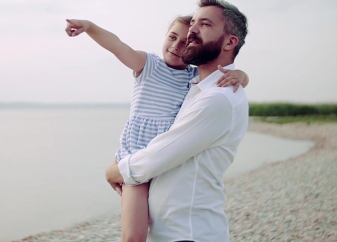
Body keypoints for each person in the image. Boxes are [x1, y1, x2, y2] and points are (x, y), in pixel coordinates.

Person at [65, 14, 249, 242]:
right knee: (134, 236)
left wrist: (241, 75)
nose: (176, 46)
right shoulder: (148, 65)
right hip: (135, 158)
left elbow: (222, 79)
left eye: (185, 42)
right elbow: (117, 46)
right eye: (172, 37)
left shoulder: (194, 78)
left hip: (162, 162)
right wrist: (90, 27)